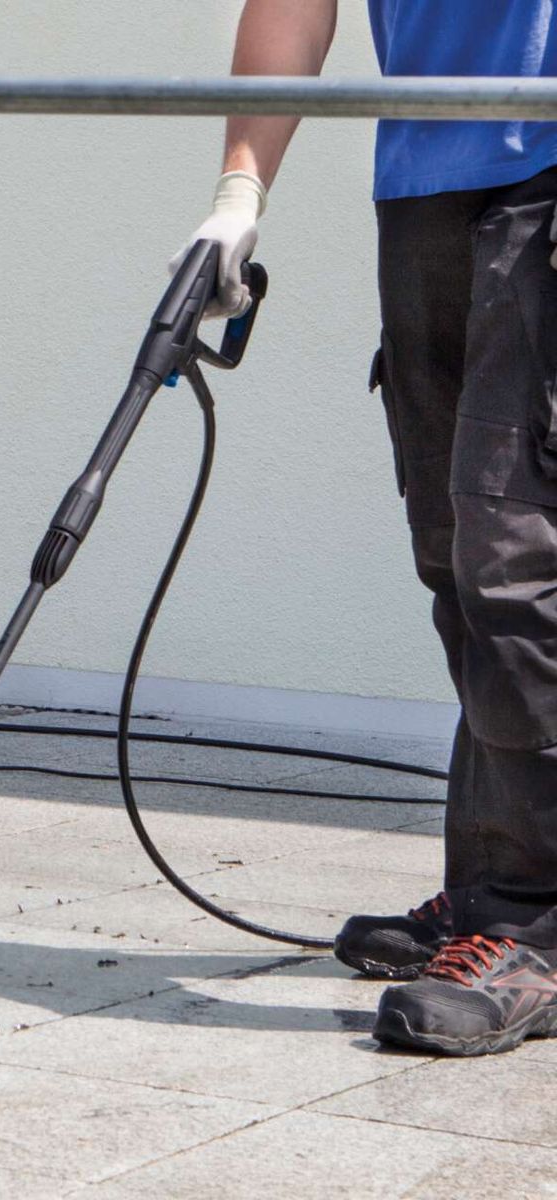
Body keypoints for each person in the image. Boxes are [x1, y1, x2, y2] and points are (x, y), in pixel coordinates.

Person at [175, 0, 557, 1056]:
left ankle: (538, 917)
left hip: (547, 166)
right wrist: (239, 193)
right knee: (455, 558)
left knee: (516, 555)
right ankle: (493, 887)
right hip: (424, 182)